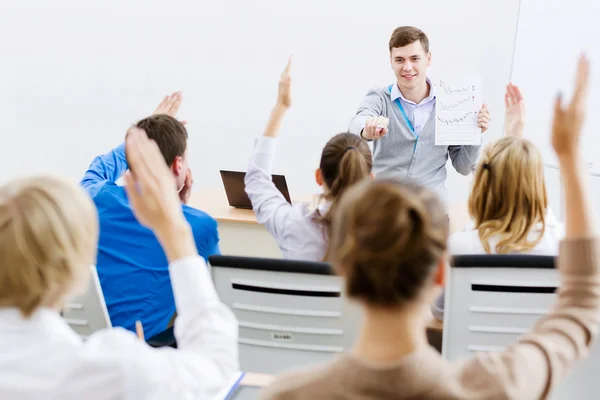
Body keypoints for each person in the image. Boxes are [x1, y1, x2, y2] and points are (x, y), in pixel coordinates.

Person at [260, 55, 599, 400]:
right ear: (441, 270)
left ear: (343, 269)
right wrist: (569, 156)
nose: (408, 66)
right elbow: (580, 307)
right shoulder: (490, 385)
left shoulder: (286, 394)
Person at [0, 128, 238, 398]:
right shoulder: (116, 369)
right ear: (78, 275)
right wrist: (175, 232)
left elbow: (94, 176)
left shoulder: (98, 196)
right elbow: (215, 372)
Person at [81, 92, 220, 339]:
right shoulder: (199, 226)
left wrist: (139, 141)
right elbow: (212, 301)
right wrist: (177, 211)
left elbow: (99, 168)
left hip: (87, 344)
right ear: (179, 165)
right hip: (145, 354)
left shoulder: (95, 196)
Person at [245, 58, 372, 261]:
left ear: (319, 176)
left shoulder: (292, 223)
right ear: (370, 179)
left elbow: (256, 179)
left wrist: (281, 106)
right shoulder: (386, 234)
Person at [348, 26, 491, 203]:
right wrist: (366, 129)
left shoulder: (449, 102)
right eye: (399, 60)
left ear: (428, 59)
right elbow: (357, 123)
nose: (407, 67)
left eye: (415, 58)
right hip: (385, 207)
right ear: (391, 61)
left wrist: (474, 133)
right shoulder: (380, 98)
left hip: (432, 211)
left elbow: (463, 167)